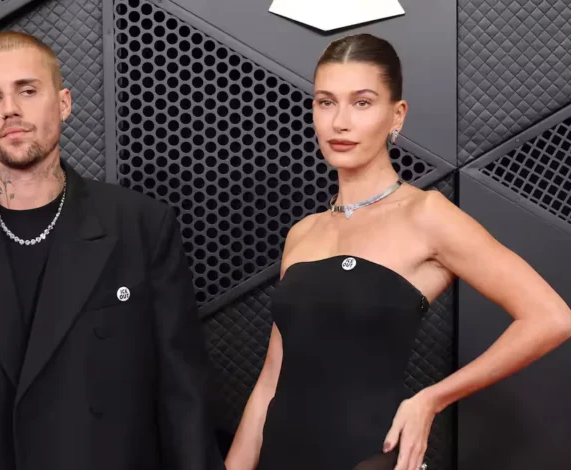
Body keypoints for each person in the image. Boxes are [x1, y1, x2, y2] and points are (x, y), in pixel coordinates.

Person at [0, 31, 224, 470]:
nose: (10, 109)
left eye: (27, 90)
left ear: (64, 103)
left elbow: (183, 397)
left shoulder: (141, 227)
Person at [224, 33, 571, 470]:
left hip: (367, 459)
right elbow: (271, 380)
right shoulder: (303, 233)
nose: (340, 122)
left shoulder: (426, 215)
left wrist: (432, 398)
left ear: (397, 115)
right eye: (326, 102)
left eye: (362, 103)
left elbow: (551, 318)